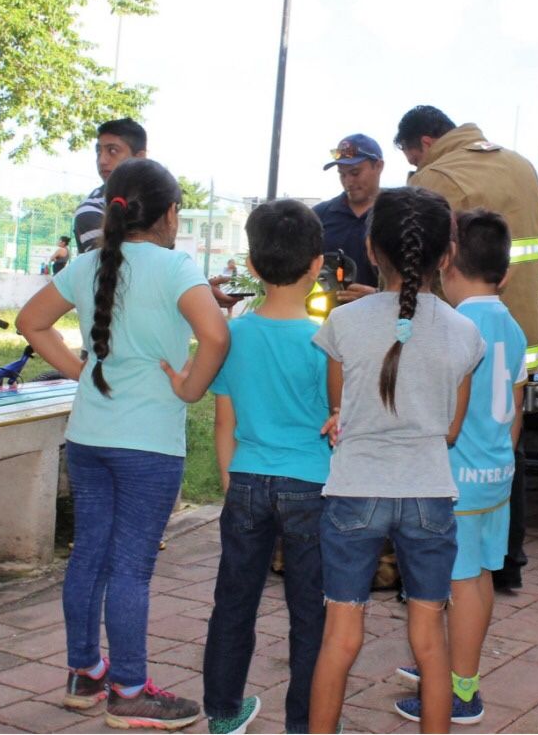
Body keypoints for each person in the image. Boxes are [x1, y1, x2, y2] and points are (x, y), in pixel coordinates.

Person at [17, 159, 229, 729]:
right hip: (149, 445)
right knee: (131, 568)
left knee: (89, 556)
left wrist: (75, 370)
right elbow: (216, 335)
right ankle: (130, 689)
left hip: (89, 436)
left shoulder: (86, 265)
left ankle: (85, 674)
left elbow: (30, 321)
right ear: (170, 214)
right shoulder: (177, 266)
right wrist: (188, 387)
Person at [308, 187, 484, 734]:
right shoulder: (465, 333)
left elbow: (337, 405)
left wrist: (350, 420)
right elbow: (451, 428)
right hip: (430, 494)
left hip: (354, 490)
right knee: (430, 641)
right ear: (447, 255)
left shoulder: (345, 322)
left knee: (340, 636)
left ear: (370, 249)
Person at [397, 105, 538, 592]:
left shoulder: (437, 177)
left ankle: (437, 567)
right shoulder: (522, 166)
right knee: (501, 438)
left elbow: (410, 262)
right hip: (517, 325)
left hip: (458, 329)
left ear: (422, 143)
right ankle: (505, 560)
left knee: (458, 433)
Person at [392, 209, 526, 726]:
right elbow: (515, 409)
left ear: (445, 261)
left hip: (458, 481)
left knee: (460, 585)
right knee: (480, 578)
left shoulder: (452, 326)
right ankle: (449, 670)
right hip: (495, 478)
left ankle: (460, 691)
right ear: (505, 273)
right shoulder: (511, 327)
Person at [202, 200, 330, 735]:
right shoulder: (328, 341)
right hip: (313, 487)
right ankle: (307, 722)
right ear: (318, 265)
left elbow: (223, 422)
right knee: (312, 613)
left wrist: (234, 482)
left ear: (251, 267)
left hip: (248, 481)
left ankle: (224, 714)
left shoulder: (235, 335)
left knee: (234, 601)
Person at [313, 133, 384, 300]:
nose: (348, 181)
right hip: (328, 320)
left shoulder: (399, 215)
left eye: (355, 172)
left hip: (385, 321)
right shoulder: (319, 216)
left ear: (379, 166)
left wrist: (377, 296)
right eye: (342, 174)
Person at [74, 118, 147, 254]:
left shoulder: (158, 199)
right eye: (98, 152)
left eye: (112, 151)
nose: (101, 161)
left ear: (139, 157)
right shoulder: (91, 210)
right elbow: (109, 266)